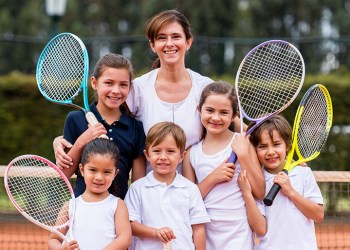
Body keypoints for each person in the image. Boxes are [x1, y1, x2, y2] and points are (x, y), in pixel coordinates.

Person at [53, 9, 242, 174]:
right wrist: (63, 139)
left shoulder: (204, 88)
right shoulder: (138, 89)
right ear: (153, 45)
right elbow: (112, 125)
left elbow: (231, 124)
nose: (169, 44)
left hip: (195, 196)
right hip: (150, 199)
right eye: (161, 38)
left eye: (176, 37)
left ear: (188, 42)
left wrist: (256, 133)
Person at [182, 81, 265, 250]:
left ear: (234, 115)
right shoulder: (191, 154)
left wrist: (243, 156)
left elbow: (261, 191)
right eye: (210, 110)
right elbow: (187, 201)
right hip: (205, 232)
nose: (215, 117)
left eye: (224, 112)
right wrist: (213, 178)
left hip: (239, 232)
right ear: (199, 109)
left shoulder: (243, 144)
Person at [59, 53, 146, 199]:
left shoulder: (136, 127)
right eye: (109, 83)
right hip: (82, 212)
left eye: (123, 84)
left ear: (130, 87)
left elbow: (138, 184)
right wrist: (82, 141)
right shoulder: (75, 119)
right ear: (94, 83)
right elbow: (64, 175)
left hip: (117, 213)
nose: (116, 91)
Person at [237, 114, 324, 250]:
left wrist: (290, 192)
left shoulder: (303, 173)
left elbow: (318, 215)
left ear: (287, 146)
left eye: (276, 144)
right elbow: (260, 229)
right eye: (263, 146)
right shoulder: (256, 182)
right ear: (254, 150)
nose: (271, 152)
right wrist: (247, 194)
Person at [124, 122, 211, 250]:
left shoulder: (191, 189)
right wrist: (155, 232)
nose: (163, 157)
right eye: (157, 151)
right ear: (147, 155)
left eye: (170, 151)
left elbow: (198, 229)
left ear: (182, 156)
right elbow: (130, 225)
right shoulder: (137, 188)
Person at [48, 138, 132, 250]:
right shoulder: (70, 206)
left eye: (107, 172)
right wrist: (62, 249)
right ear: (82, 170)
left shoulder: (118, 205)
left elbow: (124, 238)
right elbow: (53, 240)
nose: (99, 177)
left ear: (115, 173)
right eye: (93, 170)